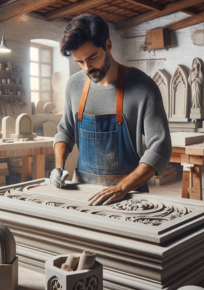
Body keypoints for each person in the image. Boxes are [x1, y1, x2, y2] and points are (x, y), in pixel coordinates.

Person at [50, 14, 171, 206]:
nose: (87, 68)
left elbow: (160, 149)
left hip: (130, 196)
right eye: (80, 62)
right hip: (84, 195)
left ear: (108, 45)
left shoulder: (144, 87)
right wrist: (58, 168)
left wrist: (121, 188)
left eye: (92, 58)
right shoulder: (74, 85)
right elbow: (65, 131)